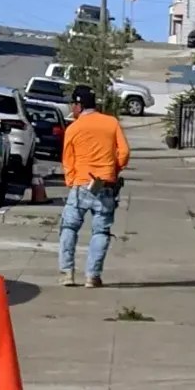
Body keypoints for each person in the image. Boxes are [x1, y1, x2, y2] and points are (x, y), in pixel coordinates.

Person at [57, 83, 130, 289]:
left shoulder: (73, 128)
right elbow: (124, 152)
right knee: (101, 231)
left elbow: (67, 159)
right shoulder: (111, 123)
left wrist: (71, 181)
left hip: (81, 184)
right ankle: (92, 276)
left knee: (69, 227)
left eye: (73, 104)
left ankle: (67, 273)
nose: (72, 108)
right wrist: (114, 170)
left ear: (79, 105)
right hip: (105, 184)